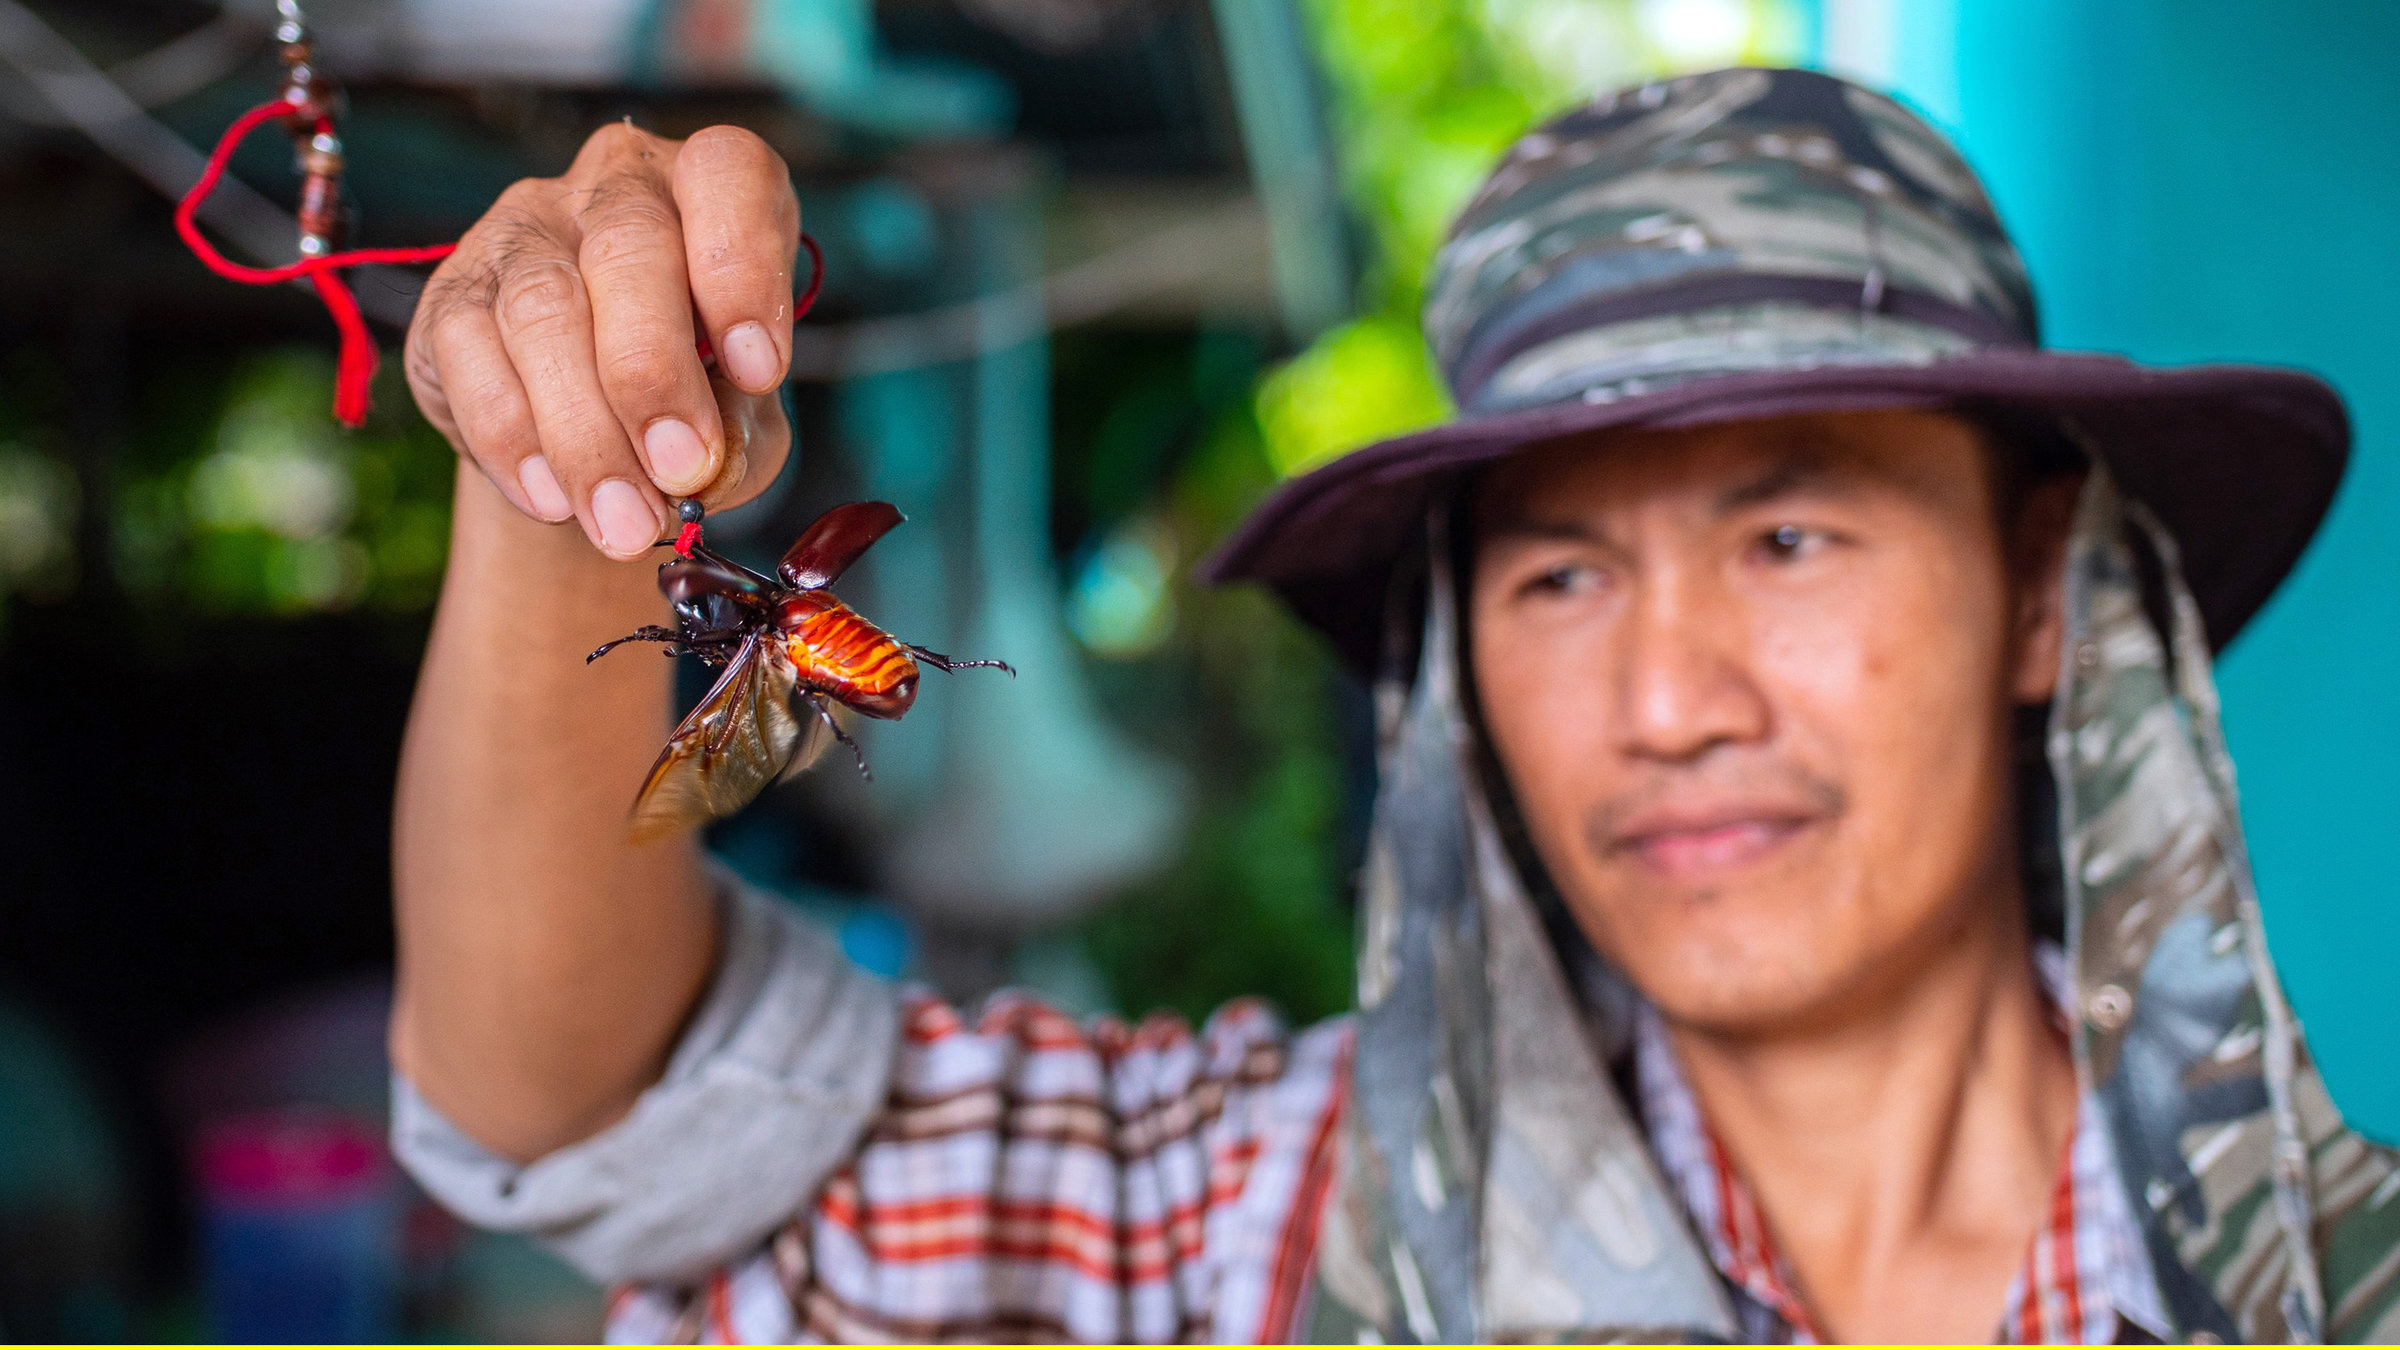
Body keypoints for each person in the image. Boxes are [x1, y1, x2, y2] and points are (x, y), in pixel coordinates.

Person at [388, 67, 2400, 1342]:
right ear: (1457, 668)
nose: (1667, 699)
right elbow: (593, 1114)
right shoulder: (1256, 1211)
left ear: (2044, 594)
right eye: (1557, 575)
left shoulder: (2327, 1284)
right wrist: (569, 461)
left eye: (1792, 540)